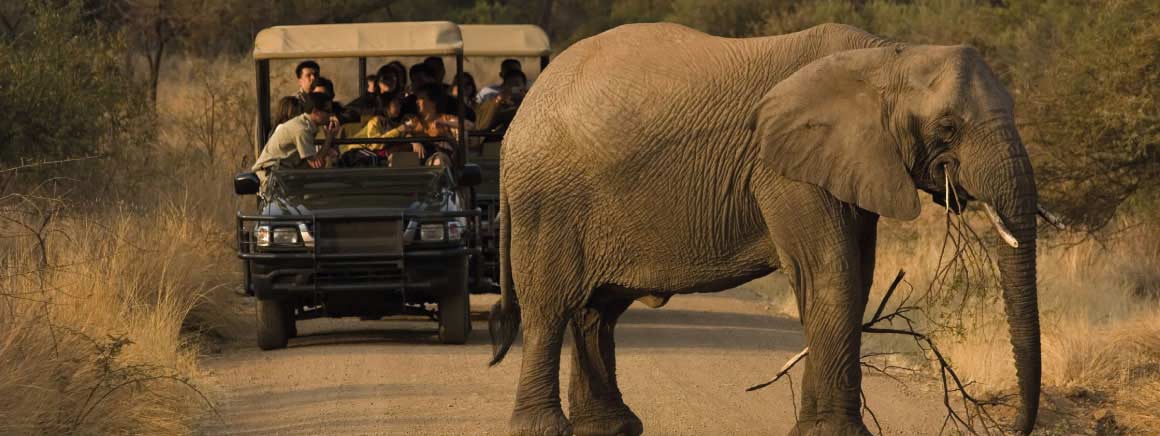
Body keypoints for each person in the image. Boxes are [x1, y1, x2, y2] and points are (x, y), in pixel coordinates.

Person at [356, 83, 474, 165]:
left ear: (432, 102)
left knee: (439, 161)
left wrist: (443, 123)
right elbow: (402, 131)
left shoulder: (445, 118)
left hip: (437, 160)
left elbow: (469, 126)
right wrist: (414, 140)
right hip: (414, 162)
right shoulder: (413, 120)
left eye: (421, 98)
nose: (417, 101)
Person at [252, 92, 340, 188]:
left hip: (283, 176)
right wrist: (329, 136)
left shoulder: (304, 125)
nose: (330, 115)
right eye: (328, 111)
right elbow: (315, 164)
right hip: (271, 179)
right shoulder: (302, 130)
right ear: (315, 112)